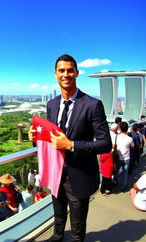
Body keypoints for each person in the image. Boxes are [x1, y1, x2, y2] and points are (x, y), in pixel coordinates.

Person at [29, 54, 111, 242]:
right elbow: (50, 139)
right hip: (55, 173)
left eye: (69, 70)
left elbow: (105, 143)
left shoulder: (92, 105)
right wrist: (35, 139)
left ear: (77, 73)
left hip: (79, 175)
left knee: (77, 226)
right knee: (58, 216)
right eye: (61, 71)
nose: (66, 74)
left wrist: (71, 145)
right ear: (55, 74)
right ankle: (57, 238)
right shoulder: (52, 104)